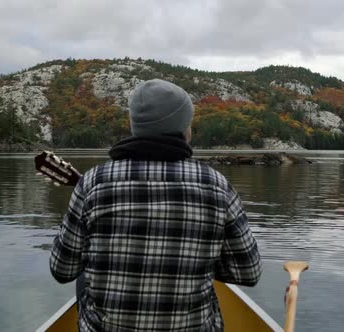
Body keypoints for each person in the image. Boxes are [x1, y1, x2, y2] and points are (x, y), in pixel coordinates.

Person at [49, 79, 261, 331]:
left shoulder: (92, 182)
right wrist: (194, 261)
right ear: (185, 129)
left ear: (133, 126)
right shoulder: (217, 185)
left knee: (84, 267)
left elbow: (62, 269)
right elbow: (248, 273)